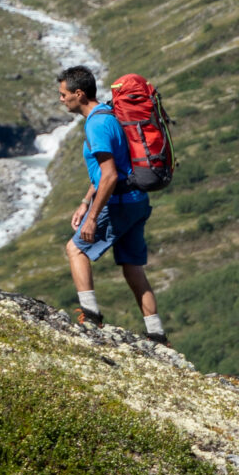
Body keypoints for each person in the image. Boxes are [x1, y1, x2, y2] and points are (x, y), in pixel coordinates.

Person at [59, 65, 165, 342]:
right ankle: (156, 332)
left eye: (63, 94)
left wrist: (92, 217)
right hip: (137, 199)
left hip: (118, 201)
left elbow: (109, 174)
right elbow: (108, 170)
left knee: (75, 249)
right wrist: (85, 202)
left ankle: (90, 317)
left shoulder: (96, 124)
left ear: (79, 94)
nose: (61, 99)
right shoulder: (109, 116)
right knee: (132, 265)